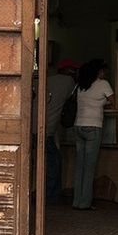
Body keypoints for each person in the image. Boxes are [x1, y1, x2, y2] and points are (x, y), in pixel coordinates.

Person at [72, 58, 114, 210]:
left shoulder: (81, 86)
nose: (104, 73)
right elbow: (114, 102)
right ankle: (85, 203)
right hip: (93, 127)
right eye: (103, 70)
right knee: (89, 167)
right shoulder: (103, 84)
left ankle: (76, 201)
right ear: (99, 71)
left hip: (78, 126)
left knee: (79, 166)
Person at [43, 58, 79, 203]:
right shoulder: (68, 82)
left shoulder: (48, 80)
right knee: (54, 163)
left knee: (40, 162)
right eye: (73, 69)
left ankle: (41, 194)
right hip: (47, 129)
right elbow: (73, 99)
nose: (75, 72)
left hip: (37, 128)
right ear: (65, 70)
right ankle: (50, 197)